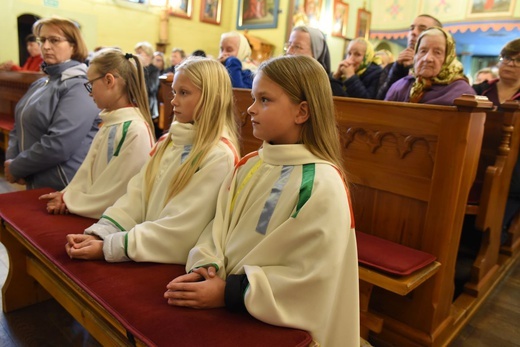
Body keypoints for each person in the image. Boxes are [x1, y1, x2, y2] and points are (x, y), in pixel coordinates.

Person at [164, 55, 359, 347]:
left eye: (264, 100)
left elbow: (311, 280)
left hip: (271, 319)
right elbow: (217, 228)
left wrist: (228, 292)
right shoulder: (249, 165)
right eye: (253, 98)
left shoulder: (321, 183)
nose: (251, 110)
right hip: (229, 297)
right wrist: (207, 267)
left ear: (302, 111)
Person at [64, 57, 240, 264]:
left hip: (166, 258)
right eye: (174, 92)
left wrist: (110, 247)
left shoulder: (219, 156)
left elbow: (181, 229)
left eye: (183, 93)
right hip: (142, 247)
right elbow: (136, 195)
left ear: (213, 98)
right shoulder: (168, 142)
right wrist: (101, 233)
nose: (173, 100)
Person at [38, 48, 156, 219]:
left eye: (91, 84)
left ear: (109, 81)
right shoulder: (111, 122)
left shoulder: (135, 130)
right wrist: (67, 195)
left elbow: (120, 191)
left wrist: (72, 202)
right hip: (93, 210)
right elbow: (88, 172)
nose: (90, 92)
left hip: (114, 221)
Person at [4, 17, 100, 191]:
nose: (46, 46)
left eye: (54, 40)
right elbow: (18, 125)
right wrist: (12, 160)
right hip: (36, 180)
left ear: (74, 45)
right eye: (42, 40)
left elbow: (59, 144)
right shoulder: (41, 83)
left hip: (63, 187)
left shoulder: (79, 86)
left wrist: (18, 167)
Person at [472, 38, 520, 244]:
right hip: (477, 158)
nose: (510, 64)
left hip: (514, 169)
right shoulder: (480, 90)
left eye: (518, 61)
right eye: (507, 58)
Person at [385, 27, 475, 105]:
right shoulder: (400, 86)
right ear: (415, 54)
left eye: (437, 52)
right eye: (423, 51)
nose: (427, 58)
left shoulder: (462, 93)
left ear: (448, 58)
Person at [376, 14, 442, 100]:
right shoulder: (391, 67)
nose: (413, 32)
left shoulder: (441, 72)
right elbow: (379, 101)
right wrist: (397, 68)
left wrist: (413, 68)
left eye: (422, 29)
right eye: (411, 28)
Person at [285, 25, 348, 96]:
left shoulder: (330, 88)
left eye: (297, 47)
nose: (289, 51)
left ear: (315, 53)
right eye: (289, 45)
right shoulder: (280, 78)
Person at [134, 41, 161, 138]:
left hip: (148, 103)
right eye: (137, 53)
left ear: (148, 55)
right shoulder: (136, 68)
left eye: (140, 53)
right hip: (136, 102)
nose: (137, 56)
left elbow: (151, 88)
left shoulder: (154, 70)